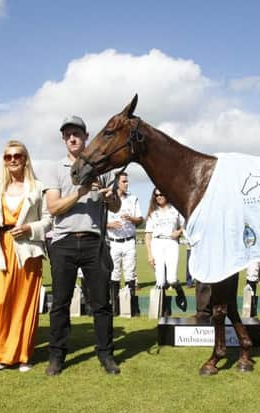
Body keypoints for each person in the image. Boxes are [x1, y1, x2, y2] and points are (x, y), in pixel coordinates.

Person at [43, 115, 121, 376]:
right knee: (60, 303)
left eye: (76, 133)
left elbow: (116, 206)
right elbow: (53, 207)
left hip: (94, 243)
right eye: (67, 135)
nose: (72, 138)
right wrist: (81, 191)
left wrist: (110, 198)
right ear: (64, 139)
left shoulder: (104, 169)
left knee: (101, 303)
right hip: (63, 242)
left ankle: (106, 354)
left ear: (87, 136)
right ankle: (57, 356)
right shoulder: (54, 168)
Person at [0, 141, 51, 372]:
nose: (12, 160)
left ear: (25, 158)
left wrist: (30, 228)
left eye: (17, 155)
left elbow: (48, 221)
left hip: (27, 251)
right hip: (1, 247)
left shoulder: (38, 187)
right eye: (8, 157)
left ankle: (22, 355)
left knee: (23, 303)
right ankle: (1, 353)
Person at [144, 188, 187, 312]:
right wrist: (149, 255)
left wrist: (178, 232)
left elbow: (185, 225)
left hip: (171, 243)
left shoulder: (176, 210)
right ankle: (163, 308)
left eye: (161, 194)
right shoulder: (153, 213)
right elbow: (148, 235)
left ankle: (179, 291)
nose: (159, 197)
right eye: (156, 195)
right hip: (157, 243)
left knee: (171, 279)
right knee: (160, 281)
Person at [106, 171, 143, 316]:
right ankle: (115, 309)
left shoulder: (133, 199)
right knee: (114, 275)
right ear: (116, 183)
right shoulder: (108, 200)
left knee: (130, 275)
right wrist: (109, 225)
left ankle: (132, 308)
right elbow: (99, 222)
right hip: (114, 243)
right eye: (124, 181)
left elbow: (140, 220)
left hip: (129, 241)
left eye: (127, 181)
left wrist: (132, 219)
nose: (127, 184)